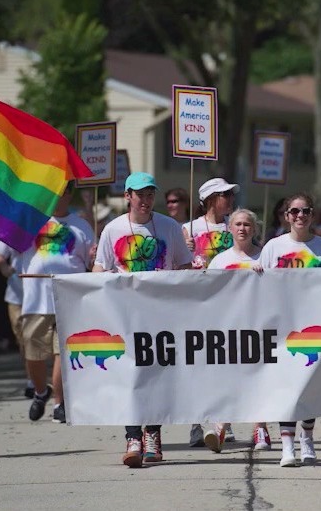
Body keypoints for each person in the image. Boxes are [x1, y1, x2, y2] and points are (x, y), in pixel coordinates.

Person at [92, 172, 192, 467]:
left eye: (150, 194)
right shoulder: (112, 229)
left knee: (156, 374)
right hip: (124, 315)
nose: (146, 200)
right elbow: (99, 269)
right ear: (128, 197)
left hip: (161, 315)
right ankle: (133, 435)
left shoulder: (170, 226)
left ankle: (153, 434)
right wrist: (103, 278)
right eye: (140, 194)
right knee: (129, 375)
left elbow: (184, 265)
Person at [256, 192, 321, 467]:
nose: (300, 216)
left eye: (306, 211)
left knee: (311, 386)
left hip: (316, 330)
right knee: (286, 388)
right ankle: (287, 446)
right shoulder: (274, 247)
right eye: (295, 211)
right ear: (286, 215)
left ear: (313, 215)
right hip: (285, 330)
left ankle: (307, 439)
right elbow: (259, 286)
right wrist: (256, 272)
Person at [18, 186, 94, 424]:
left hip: (69, 296)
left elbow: (92, 260)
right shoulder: (31, 221)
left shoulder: (81, 225)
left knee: (63, 351)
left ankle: (59, 403)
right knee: (33, 351)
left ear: (68, 195)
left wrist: (93, 257)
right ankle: (42, 392)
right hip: (36, 297)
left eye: (59, 191)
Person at [204, 208, 269, 453]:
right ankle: (220, 426)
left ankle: (260, 427)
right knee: (227, 378)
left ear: (254, 229)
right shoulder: (220, 260)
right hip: (228, 327)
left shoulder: (265, 256)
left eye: (247, 225)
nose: (242, 228)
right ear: (230, 228)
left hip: (258, 325)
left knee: (258, 377)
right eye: (238, 224)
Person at [183, 177, 238, 446]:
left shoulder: (237, 225)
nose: (229, 198)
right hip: (197, 307)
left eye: (230, 194)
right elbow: (177, 265)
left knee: (225, 365)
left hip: (229, 306)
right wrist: (186, 250)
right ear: (209, 199)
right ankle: (196, 424)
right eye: (224, 194)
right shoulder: (187, 229)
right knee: (197, 366)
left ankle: (223, 421)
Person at [0, 238, 30, 395]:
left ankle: (53, 380)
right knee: (24, 340)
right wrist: (4, 267)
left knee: (48, 342)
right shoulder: (12, 228)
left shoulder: (49, 225)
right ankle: (32, 380)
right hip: (17, 296)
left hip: (45, 295)